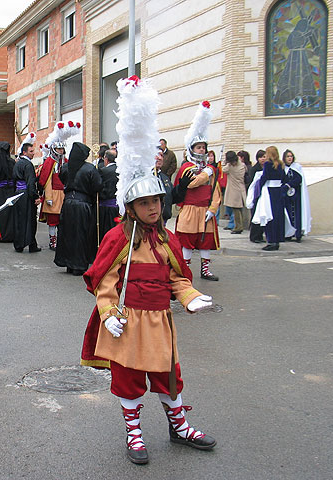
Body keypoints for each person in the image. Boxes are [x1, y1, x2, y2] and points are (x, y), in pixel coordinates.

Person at [81, 77, 215, 465]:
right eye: (145, 202)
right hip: (127, 321)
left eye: (157, 200)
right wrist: (108, 315)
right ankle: (134, 434)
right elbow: (104, 283)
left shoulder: (168, 240)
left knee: (168, 376)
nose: (154, 208)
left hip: (159, 321)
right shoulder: (117, 239)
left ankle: (179, 426)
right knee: (127, 379)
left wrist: (190, 297)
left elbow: (177, 277)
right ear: (131, 207)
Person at [174, 101, 221, 280]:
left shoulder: (210, 170)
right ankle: (185, 271)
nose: (202, 150)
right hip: (189, 210)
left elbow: (216, 192)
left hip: (205, 211)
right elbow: (190, 183)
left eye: (203, 147)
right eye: (198, 147)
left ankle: (205, 270)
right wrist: (207, 173)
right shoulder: (187, 167)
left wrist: (213, 210)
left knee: (205, 242)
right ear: (192, 149)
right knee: (187, 241)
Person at [54, 142, 102, 276]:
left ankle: (68, 263)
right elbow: (97, 186)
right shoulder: (90, 168)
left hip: (68, 203)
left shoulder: (65, 168)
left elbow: (63, 180)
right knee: (81, 234)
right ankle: (79, 265)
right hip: (83, 204)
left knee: (67, 233)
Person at [38, 122, 80, 249]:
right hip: (53, 194)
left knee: (63, 220)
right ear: (53, 149)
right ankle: (53, 241)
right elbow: (46, 180)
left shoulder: (66, 161)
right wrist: (48, 197)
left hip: (64, 194)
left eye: (62, 149)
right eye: (58, 149)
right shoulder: (50, 162)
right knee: (53, 220)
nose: (60, 151)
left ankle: (62, 240)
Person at [251, 146, 288, 251]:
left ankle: (271, 240)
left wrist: (258, 187)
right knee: (277, 216)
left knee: (268, 215)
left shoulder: (268, 164)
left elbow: (265, 177)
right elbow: (284, 178)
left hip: (269, 191)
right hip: (278, 192)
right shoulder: (281, 164)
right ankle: (277, 240)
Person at [12, 142, 41, 253]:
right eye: (31, 151)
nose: (33, 153)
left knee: (19, 219)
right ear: (24, 152)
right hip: (26, 195)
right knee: (30, 220)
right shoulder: (28, 165)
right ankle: (31, 244)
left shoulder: (18, 163)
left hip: (18, 193)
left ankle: (19, 244)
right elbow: (30, 183)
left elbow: (14, 179)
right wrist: (35, 196)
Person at [282, 149, 311, 242]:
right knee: (288, 214)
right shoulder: (283, 168)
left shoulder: (297, 167)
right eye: (288, 156)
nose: (290, 158)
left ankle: (298, 233)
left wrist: (290, 184)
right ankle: (288, 234)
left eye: (291, 156)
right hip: (286, 195)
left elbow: (299, 179)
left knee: (297, 213)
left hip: (296, 195)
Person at [222, 150, 247, 234]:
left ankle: (238, 227)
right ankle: (238, 226)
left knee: (236, 210)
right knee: (239, 210)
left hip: (234, 190)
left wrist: (226, 163)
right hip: (241, 189)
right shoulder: (242, 165)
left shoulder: (231, 167)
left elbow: (223, 169)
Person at [98, 149, 119, 242]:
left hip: (106, 207)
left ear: (106, 159)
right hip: (119, 207)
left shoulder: (103, 171)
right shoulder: (121, 171)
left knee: (106, 231)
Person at [247, 150, 266, 243]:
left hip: (264, 194)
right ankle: (254, 236)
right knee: (255, 215)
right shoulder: (254, 169)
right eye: (261, 157)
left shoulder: (267, 168)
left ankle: (260, 235)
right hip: (256, 194)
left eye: (264, 157)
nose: (263, 159)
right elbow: (251, 183)